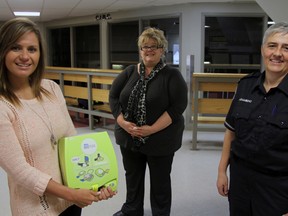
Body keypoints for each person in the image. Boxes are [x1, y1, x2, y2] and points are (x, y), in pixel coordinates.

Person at [0, 17, 116, 216]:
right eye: (16, 48)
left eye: (32, 49)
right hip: (37, 209)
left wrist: (94, 184)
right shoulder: (4, 105)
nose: (25, 56)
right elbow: (19, 171)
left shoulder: (51, 88)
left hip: (71, 202)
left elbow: (71, 142)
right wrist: (71, 194)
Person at [109, 27, 188, 216]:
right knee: (132, 177)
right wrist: (122, 122)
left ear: (162, 50)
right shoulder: (129, 72)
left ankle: (160, 213)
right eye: (145, 46)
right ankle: (132, 209)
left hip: (160, 139)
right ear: (140, 50)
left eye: (154, 46)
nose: (149, 50)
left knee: (160, 180)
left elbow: (177, 107)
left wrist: (151, 129)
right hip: (130, 137)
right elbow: (113, 97)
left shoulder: (172, 75)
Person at [217, 22, 288, 216]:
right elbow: (231, 132)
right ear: (263, 50)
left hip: (277, 188)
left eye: (286, 48)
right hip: (240, 182)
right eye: (272, 45)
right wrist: (222, 171)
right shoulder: (245, 86)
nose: (278, 53)